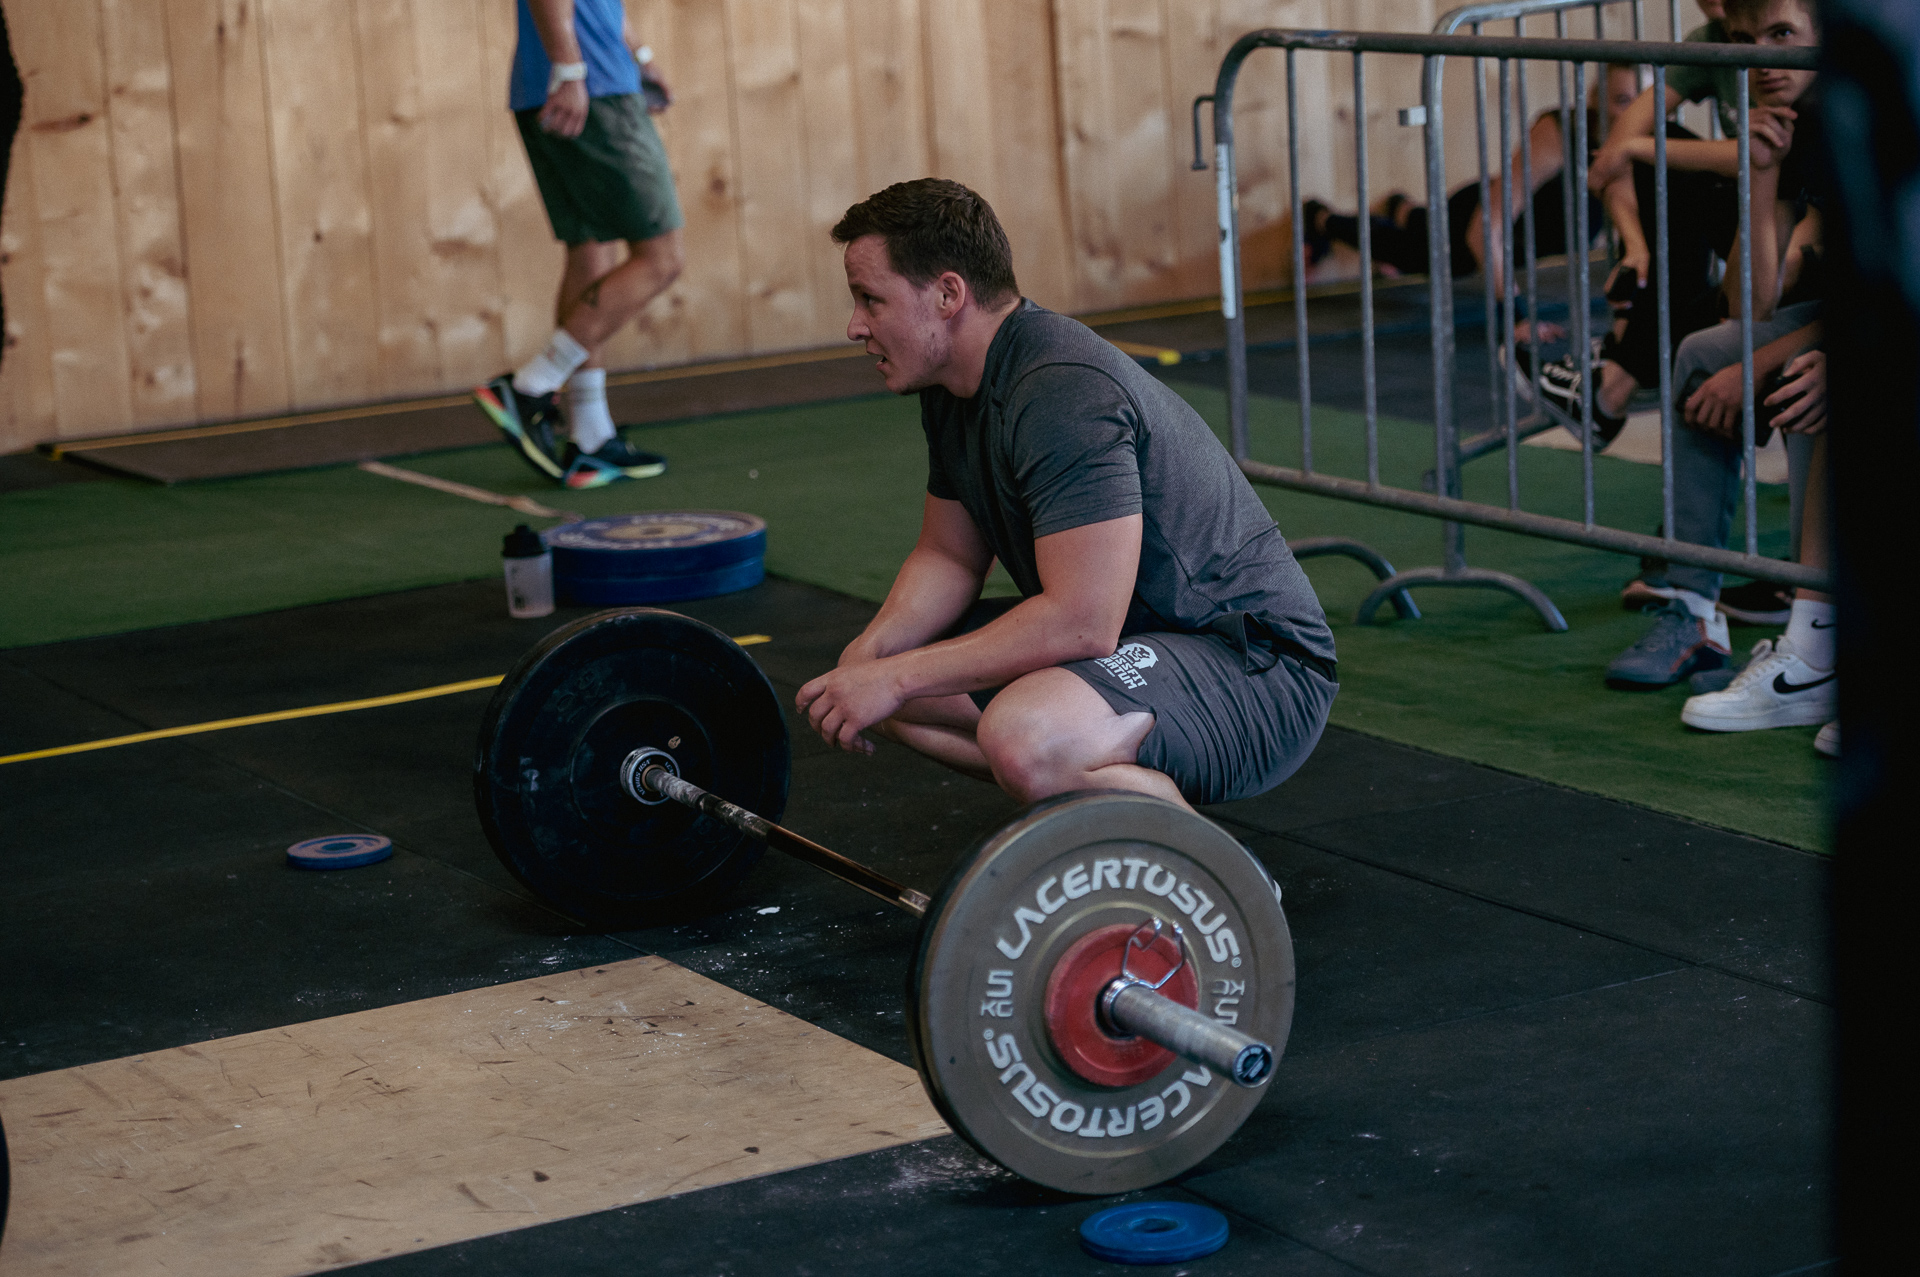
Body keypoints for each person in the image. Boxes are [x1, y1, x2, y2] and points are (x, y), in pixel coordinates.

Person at [795, 180, 1337, 811]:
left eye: (870, 300)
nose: (855, 325)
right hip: (1140, 644)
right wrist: (872, 656)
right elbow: (949, 556)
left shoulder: (1058, 389)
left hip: (1258, 668)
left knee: (1025, 736)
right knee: (892, 693)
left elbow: (1082, 621)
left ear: (948, 294)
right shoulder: (950, 387)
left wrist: (891, 676)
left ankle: (1211, 880)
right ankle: (1087, 798)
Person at [1602, 0, 1826, 692]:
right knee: (1703, 352)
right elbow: (1750, 303)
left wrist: (1763, 365)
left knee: (1809, 378)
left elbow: (1888, 291)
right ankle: (1694, 610)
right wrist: (1759, 174)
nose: (1760, 58)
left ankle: (1819, 628)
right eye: (1741, 42)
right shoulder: (1793, 125)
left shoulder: (1873, 108)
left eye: (1781, 36)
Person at [473, 0, 684, 490]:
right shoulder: (580, 75)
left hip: (554, 84)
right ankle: (529, 386)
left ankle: (589, 439)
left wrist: (642, 56)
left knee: (591, 251)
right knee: (662, 258)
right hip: (590, 86)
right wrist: (571, 71)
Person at [1303, 63, 1643, 286]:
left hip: (1519, 240)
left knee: (1425, 230)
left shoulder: (1651, 143)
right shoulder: (1559, 133)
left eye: (1643, 100)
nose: (1635, 112)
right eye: (1622, 100)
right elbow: (1486, 228)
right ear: (1596, 102)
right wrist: (1514, 315)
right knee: (1413, 255)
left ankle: (1401, 207)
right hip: (1478, 220)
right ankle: (1319, 218)